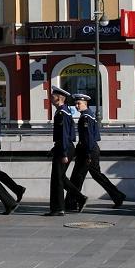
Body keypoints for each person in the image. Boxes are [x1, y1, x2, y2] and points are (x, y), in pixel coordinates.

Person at [65, 94, 126, 210]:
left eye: (79, 104)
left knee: (78, 176)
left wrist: (87, 154)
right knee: (94, 175)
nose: (77, 106)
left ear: (85, 104)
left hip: (88, 150)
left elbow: (88, 137)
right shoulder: (89, 115)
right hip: (89, 150)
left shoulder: (86, 117)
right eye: (76, 104)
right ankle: (118, 196)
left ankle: (72, 202)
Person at [45, 86, 87, 217]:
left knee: (57, 179)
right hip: (65, 146)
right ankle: (79, 197)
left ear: (58, 98)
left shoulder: (61, 113)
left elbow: (64, 134)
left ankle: (58, 208)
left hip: (64, 148)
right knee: (60, 177)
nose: (50, 98)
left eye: (52, 96)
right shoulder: (66, 111)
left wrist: (63, 153)